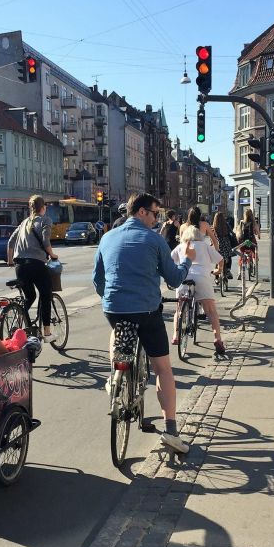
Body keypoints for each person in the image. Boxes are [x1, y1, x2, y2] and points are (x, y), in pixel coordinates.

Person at [93, 193, 196, 453]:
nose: (157, 218)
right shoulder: (154, 239)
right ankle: (171, 429)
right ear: (141, 212)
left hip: (114, 309)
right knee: (162, 367)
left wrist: (112, 298)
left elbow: (98, 279)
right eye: (155, 213)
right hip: (146, 311)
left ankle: (115, 376)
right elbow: (174, 280)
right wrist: (187, 260)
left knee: (118, 330)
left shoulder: (107, 237)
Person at [7, 195, 59, 341]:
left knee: (30, 296)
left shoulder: (24, 222)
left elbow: (11, 242)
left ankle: (20, 318)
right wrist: (52, 254)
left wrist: (10, 261)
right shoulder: (45, 220)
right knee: (45, 294)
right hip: (36, 264)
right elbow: (45, 240)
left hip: (20, 266)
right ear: (43, 208)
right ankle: (47, 333)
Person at [171, 221, 226, 354]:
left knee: (179, 308)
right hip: (202, 278)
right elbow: (220, 259)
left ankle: (176, 335)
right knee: (211, 310)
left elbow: (169, 261)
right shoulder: (204, 246)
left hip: (183, 277)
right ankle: (217, 338)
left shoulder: (180, 246)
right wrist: (219, 270)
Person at [235, 208, 260, 279]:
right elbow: (257, 232)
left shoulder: (241, 222)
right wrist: (258, 235)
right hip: (251, 241)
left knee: (242, 255)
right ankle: (255, 264)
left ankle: (239, 272)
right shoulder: (254, 223)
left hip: (243, 242)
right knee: (254, 253)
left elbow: (238, 232)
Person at [212, 212, 235, 280]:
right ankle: (228, 270)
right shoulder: (226, 224)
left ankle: (216, 278)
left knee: (217, 259)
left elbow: (212, 236)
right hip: (226, 244)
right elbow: (232, 233)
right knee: (229, 256)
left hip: (218, 244)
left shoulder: (214, 226)